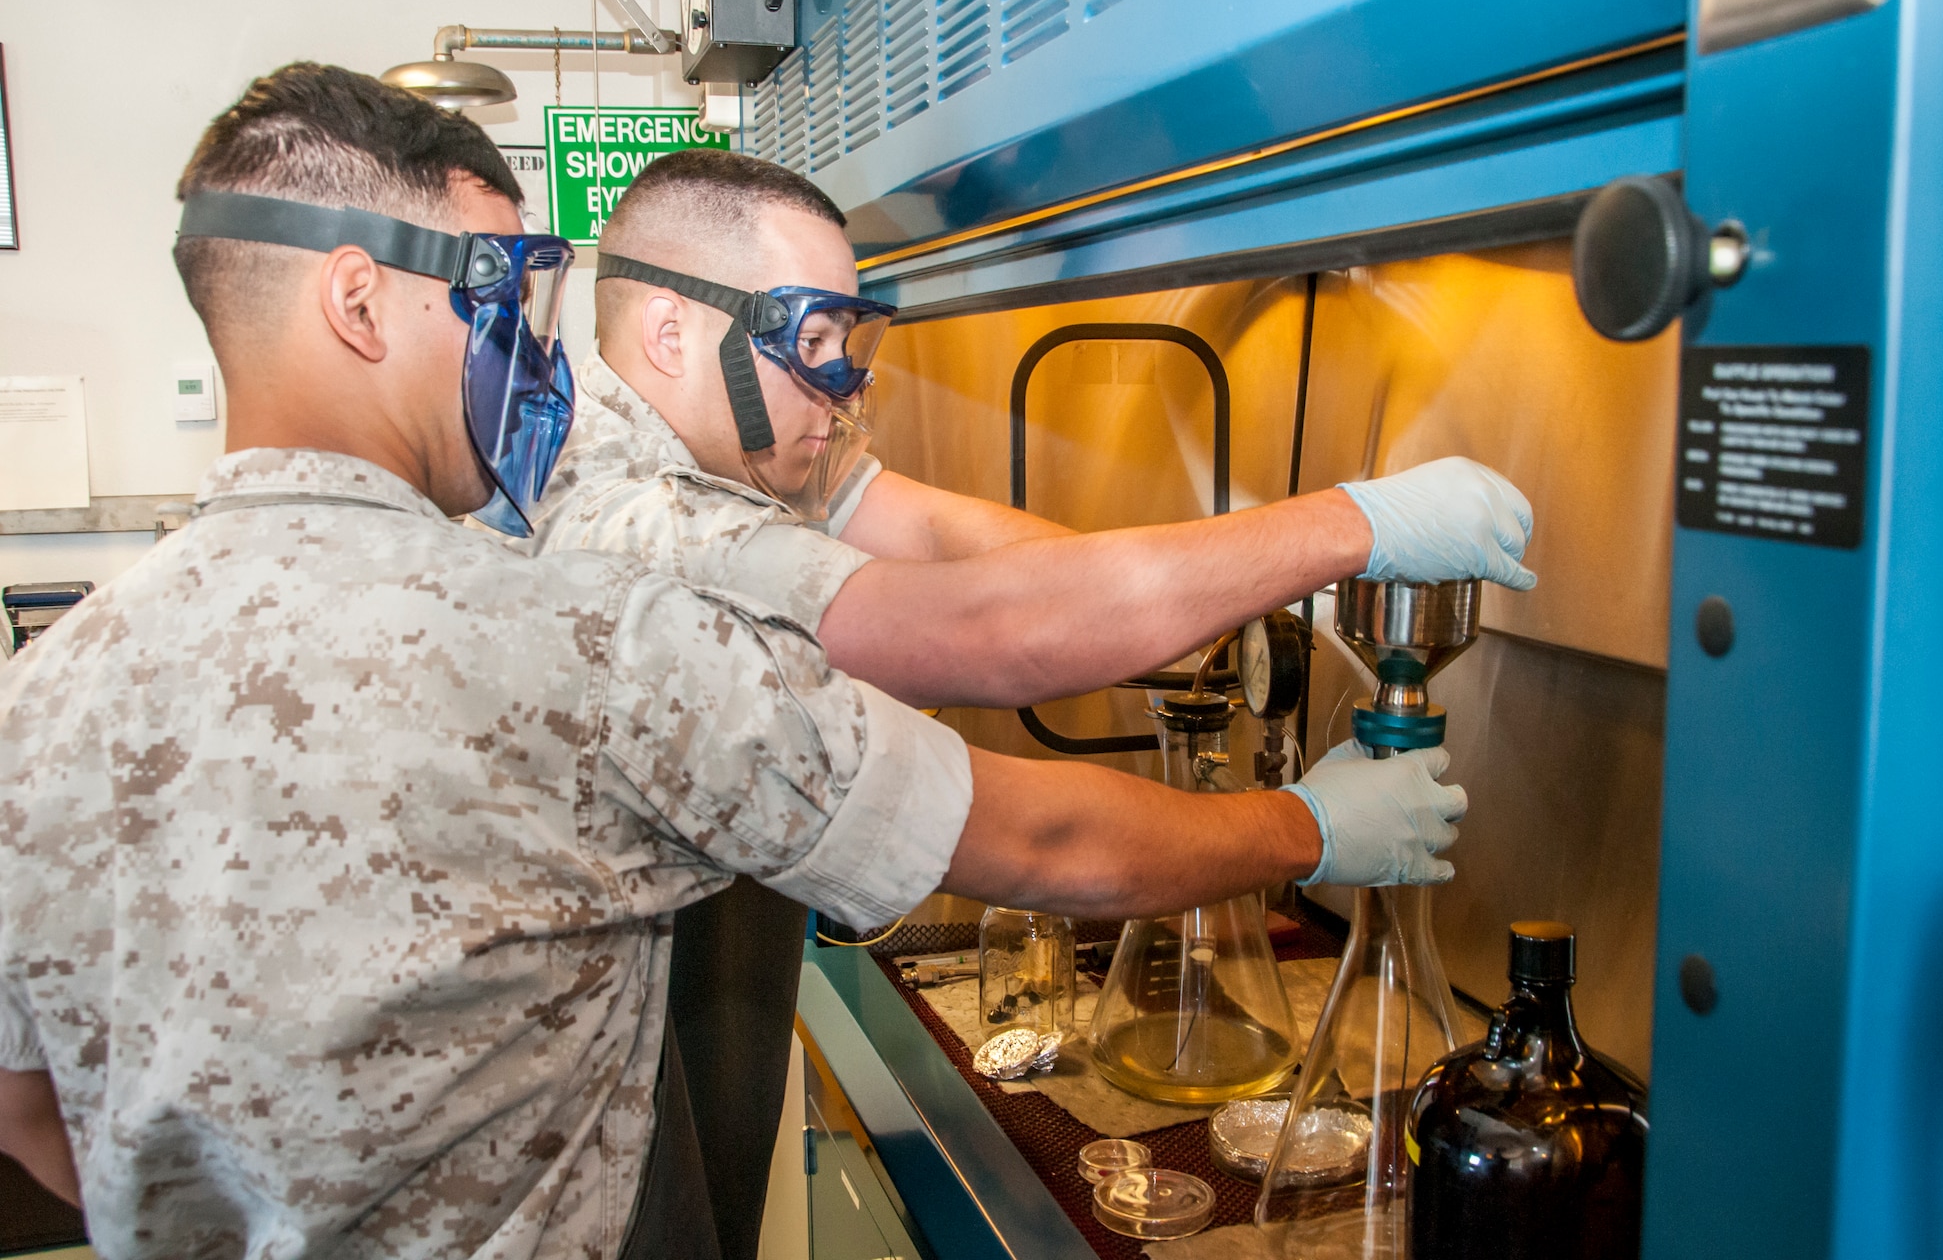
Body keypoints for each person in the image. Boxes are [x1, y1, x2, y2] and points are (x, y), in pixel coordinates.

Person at [0, 64, 1477, 1260]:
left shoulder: (38, 694)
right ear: (358, 298)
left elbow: (31, 1113)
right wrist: (1318, 808)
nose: (534, 355)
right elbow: (1030, 806)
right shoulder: (587, 626)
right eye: (504, 295)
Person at [521, 149, 1538, 1259]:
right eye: (809, 342)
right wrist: (1347, 535)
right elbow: (985, 645)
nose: (841, 383)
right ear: (672, 332)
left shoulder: (747, 443)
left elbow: (951, 543)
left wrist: (1199, 613)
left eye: (850, 345)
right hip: (606, 1170)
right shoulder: (635, 523)